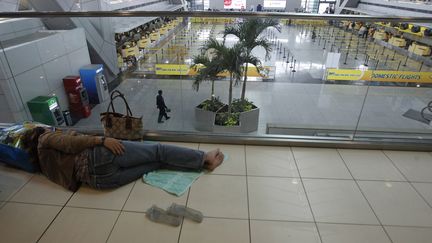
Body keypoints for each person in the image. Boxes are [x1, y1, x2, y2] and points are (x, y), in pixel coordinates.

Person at [21, 127, 224, 192]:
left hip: (102, 182)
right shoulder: (45, 138)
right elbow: (70, 144)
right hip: (100, 156)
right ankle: (204, 158)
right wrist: (102, 139)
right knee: (158, 151)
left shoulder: (44, 167)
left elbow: (71, 181)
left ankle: (202, 164)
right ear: (38, 133)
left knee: (157, 163)